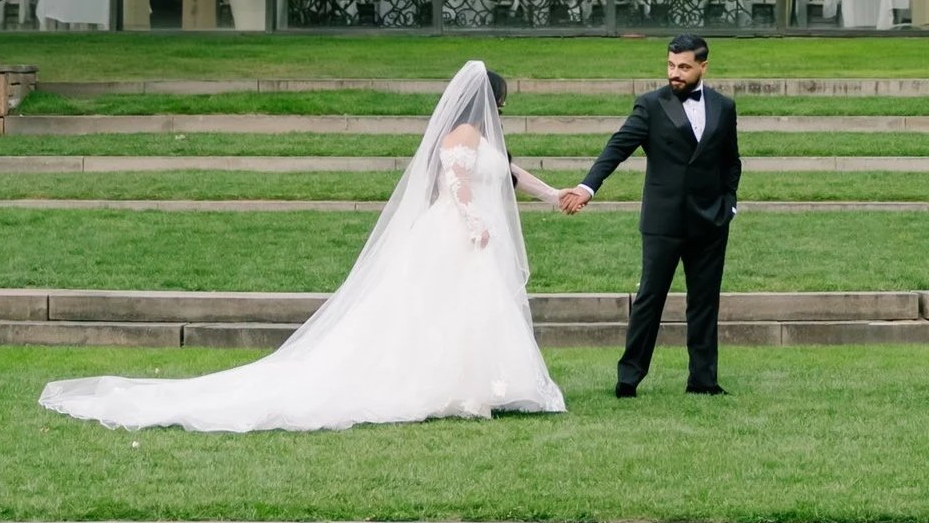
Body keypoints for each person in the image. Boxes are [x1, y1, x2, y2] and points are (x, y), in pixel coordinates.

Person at [40, 61, 566, 432]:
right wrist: (474, 222)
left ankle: (484, 385)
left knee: (471, 313)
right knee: (440, 313)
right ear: (486, 102)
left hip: (470, 236)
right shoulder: (464, 136)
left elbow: (509, 173)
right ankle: (459, 388)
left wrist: (553, 194)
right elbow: (457, 183)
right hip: (455, 233)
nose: (500, 110)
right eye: (499, 102)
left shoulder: (487, 142)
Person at [559, 34, 741, 397]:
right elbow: (617, 148)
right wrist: (587, 187)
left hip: (711, 221)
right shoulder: (650, 105)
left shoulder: (724, 106)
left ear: (703, 66)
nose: (675, 73)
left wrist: (729, 204)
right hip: (663, 222)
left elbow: (730, 161)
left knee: (704, 302)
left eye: (684, 67)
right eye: (671, 65)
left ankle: (703, 380)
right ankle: (628, 378)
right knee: (649, 300)